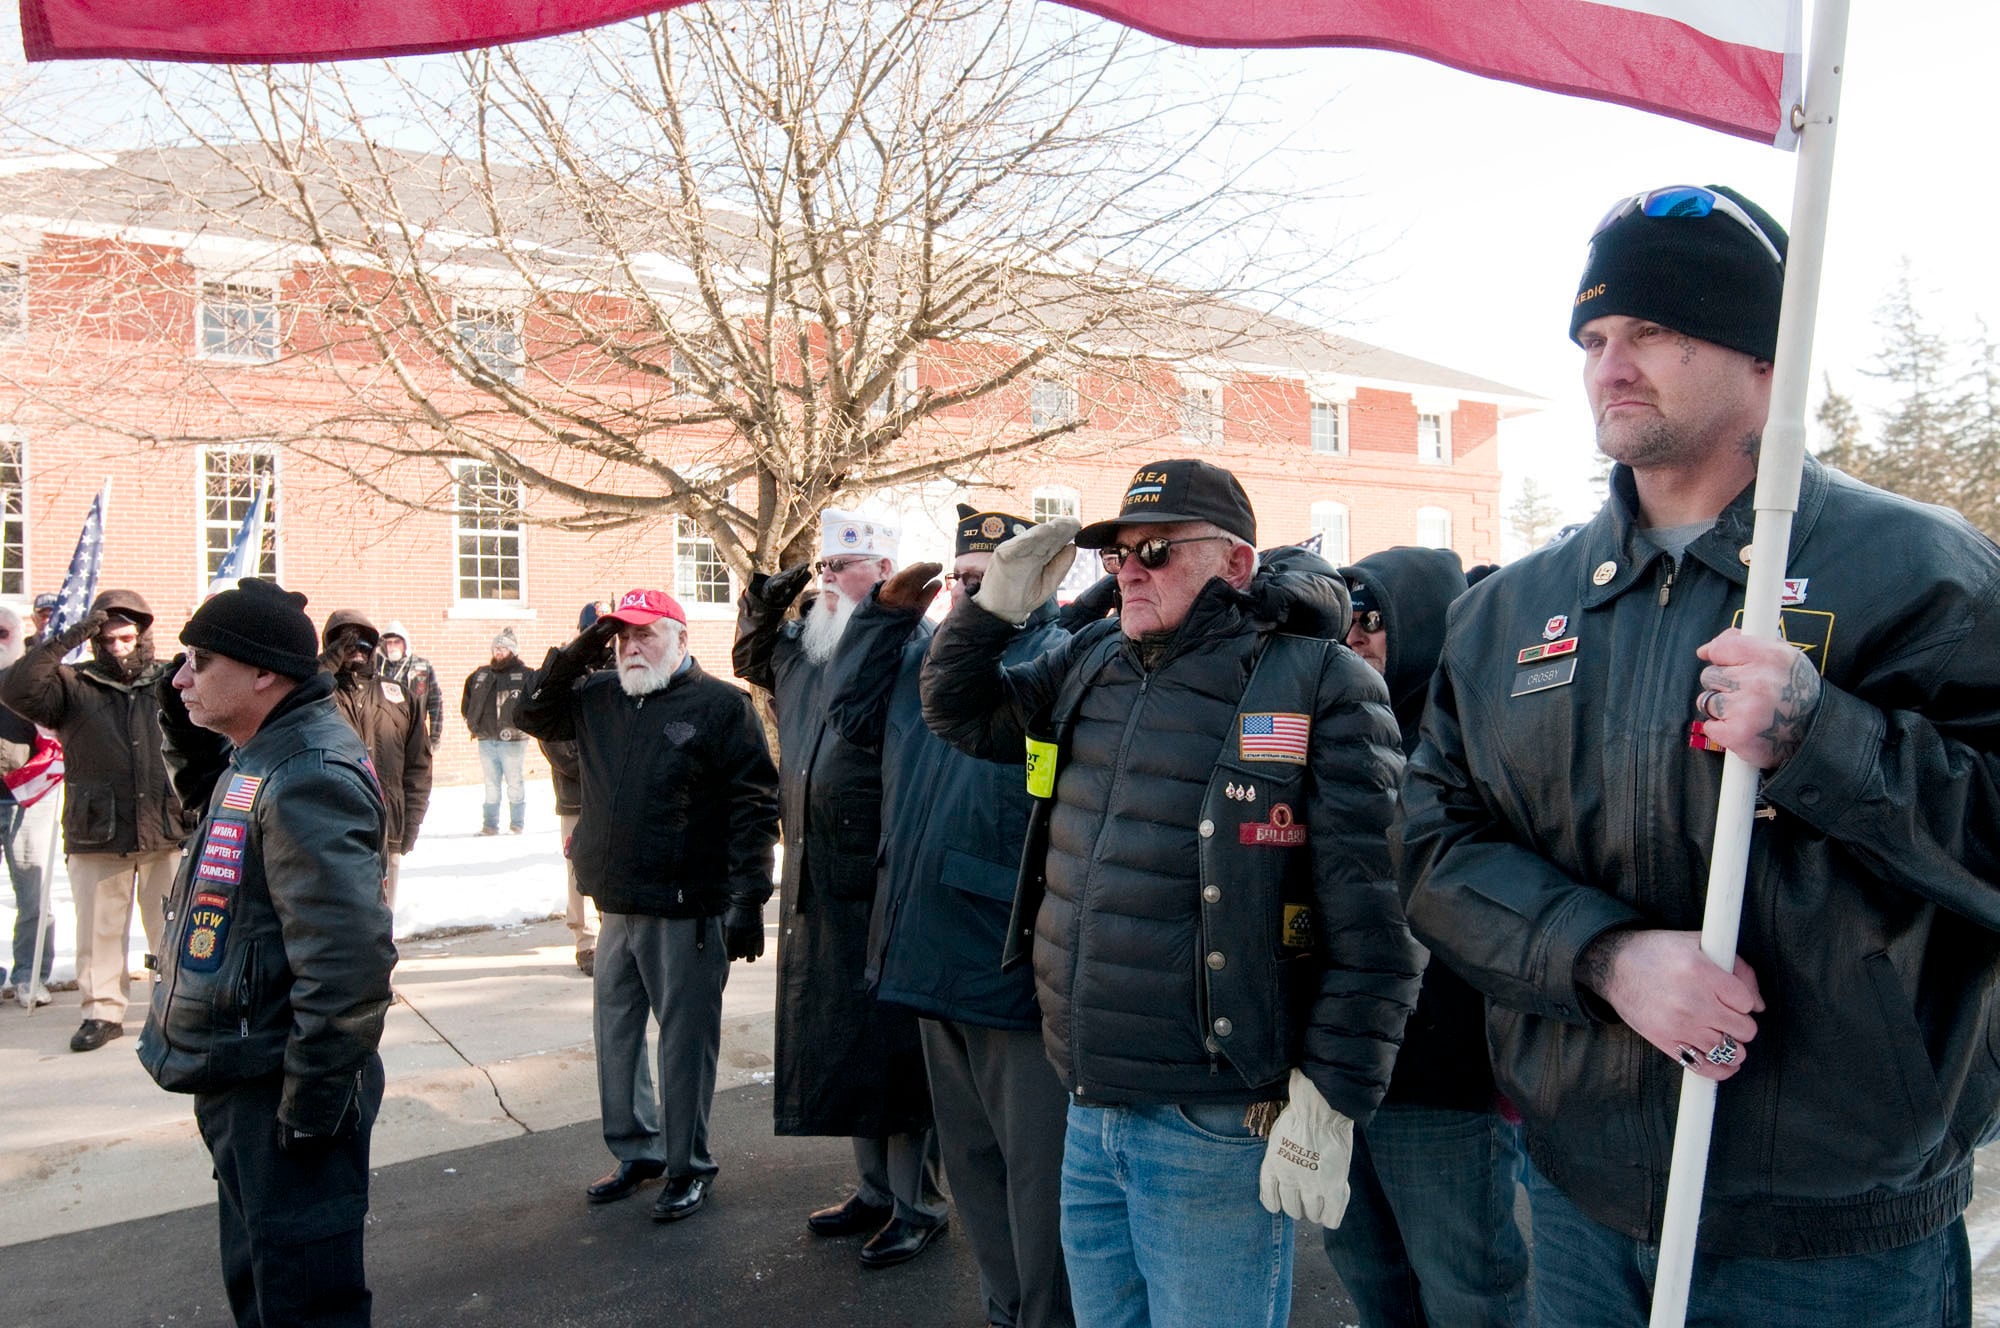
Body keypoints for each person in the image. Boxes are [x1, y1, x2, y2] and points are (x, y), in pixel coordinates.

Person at [1399, 184, 2000, 1328]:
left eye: (1657, 330)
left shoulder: (1923, 570)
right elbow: (1429, 846)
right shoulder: (1508, 612)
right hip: (1580, 1202)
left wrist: (1824, 738)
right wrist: (1605, 956)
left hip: (1831, 1232)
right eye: (1594, 337)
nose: (1610, 365)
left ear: (1764, 361)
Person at [921, 460, 1423, 1328]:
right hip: (1088, 1094)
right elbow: (960, 713)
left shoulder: (1317, 681)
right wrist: (992, 609)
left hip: (1215, 1116)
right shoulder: (1092, 659)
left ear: (1233, 564)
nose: (1130, 570)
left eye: (1154, 549)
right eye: (1117, 555)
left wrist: (1335, 1096)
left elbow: (1379, 913)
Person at [825, 505, 1075, 1326]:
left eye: (985, 581)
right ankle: (1006, 1310)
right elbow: (851, 718)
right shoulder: (929, 656)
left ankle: (1044, 1316)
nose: (967, 596)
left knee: (1037, 1181)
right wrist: (883, 619)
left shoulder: (1055, 656)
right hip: (930, 951)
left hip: (1007, 962)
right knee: (971, 1167)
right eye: (959, 580)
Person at [137, 577, 395, 1327]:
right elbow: (214, 817)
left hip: (283, 1086)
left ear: (263, 674)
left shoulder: (307, 770)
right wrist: (183, 712)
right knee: (264, 1284)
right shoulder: (261, 754)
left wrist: (313, 1106)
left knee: (305, 1301)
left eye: (198, 660)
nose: (180, 676)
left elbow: (346, 967)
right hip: (245, 1074)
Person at [519, 588, 779, 1222]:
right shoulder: (599, 696)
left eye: (646, 635)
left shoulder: (721, 706)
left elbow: (755, 806)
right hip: (617, 905)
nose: (632, 648)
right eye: (622, 638)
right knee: (617, 1036)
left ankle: (688, 1165)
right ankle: (637, 1149)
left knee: (684, 1046)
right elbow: (533, 712)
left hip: (688, 909)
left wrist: (749, 898)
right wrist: (581, 648)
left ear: (682, 639)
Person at [1321, 547, 1529, 1328]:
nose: (1356, 636)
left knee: (1466, 1288)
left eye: (1373, 617)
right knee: (1370, 1274)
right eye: (1345, 618)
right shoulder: (1323, 724)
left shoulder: (1477, 735)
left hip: (1438, 1072)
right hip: (1335, 1067)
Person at [734, 509, 948, 1268]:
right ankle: (875, 1190)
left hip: (883, 878)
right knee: (844, 1043)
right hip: (821, 877)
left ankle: (917, 1201)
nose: (825, 581)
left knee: (893, 1050)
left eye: (838, 568)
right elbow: (752, 656)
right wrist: (769, 597)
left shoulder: (911, 648)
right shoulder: (808, 650)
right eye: (822, 569)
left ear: (883, 575)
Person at [0, 589, 192, 1052]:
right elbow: (14, 687)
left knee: (170, 926)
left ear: (142, 633)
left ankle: (175, 1007)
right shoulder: (72, 684)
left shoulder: (169, 679)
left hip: (164, 824)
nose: (117, 646)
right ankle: (102, 1011)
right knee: (98, 930)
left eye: (126, 637)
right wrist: (71, 636)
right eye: (106, 639)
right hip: (96, 828)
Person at [321, 611, 432, 912]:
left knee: (382, 918)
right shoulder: (320, 694)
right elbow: (298, 696)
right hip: (332, 826)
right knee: (339, 915)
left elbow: (418, 765)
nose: (355, 650)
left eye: (362, 642)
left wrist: (413, 820)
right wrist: (329, 664)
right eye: (346, 643)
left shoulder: (398, 697)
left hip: (387, 825)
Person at [537, 602, 609, 976]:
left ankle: (612, 934)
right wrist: (598, 769)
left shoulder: (621, 672)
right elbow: (553, 741)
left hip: (613, 794)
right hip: (576, 794)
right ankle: (587, 940)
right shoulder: (565, 675)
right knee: (577, 869)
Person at [0, 604, 56, 1006]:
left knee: (33, 894)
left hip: (26, 795)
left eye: (2, 633)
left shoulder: (32, 680)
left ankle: (30, 975)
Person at [461, 628, 532, 835]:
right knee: (490, 784)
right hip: (486, 738)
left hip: (514, 740)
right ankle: (490, 825)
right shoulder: (481, 674)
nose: (498, 652)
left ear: (512, 650)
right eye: (496, 648)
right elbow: (467, 700)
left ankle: (517, 824)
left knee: (514, 782)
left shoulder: (525, 675)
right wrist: (471, 721)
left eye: (503, 648)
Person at [375, 622, 442, 752]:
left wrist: (434, 736)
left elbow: (435, 702)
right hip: (383, 734)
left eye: (397, 642)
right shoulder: (376, 667)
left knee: (415, 770)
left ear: (405, 644)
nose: (392, 646)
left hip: (413, 731)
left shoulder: (422, 667)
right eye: (389, 643)